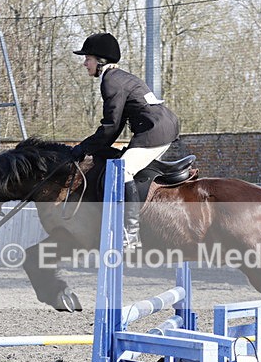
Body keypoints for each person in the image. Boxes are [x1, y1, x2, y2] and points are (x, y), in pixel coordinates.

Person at [71, 32, 180, 251]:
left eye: (88, 58)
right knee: (126, 165)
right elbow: (116, 124)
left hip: (154, 131)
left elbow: (111, 127)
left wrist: (84, 148)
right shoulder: (120, 77)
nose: (84, 63)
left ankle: (130, 235)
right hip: (164, 126)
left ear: (100, 61)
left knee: (123, 172)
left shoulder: (111, 81)